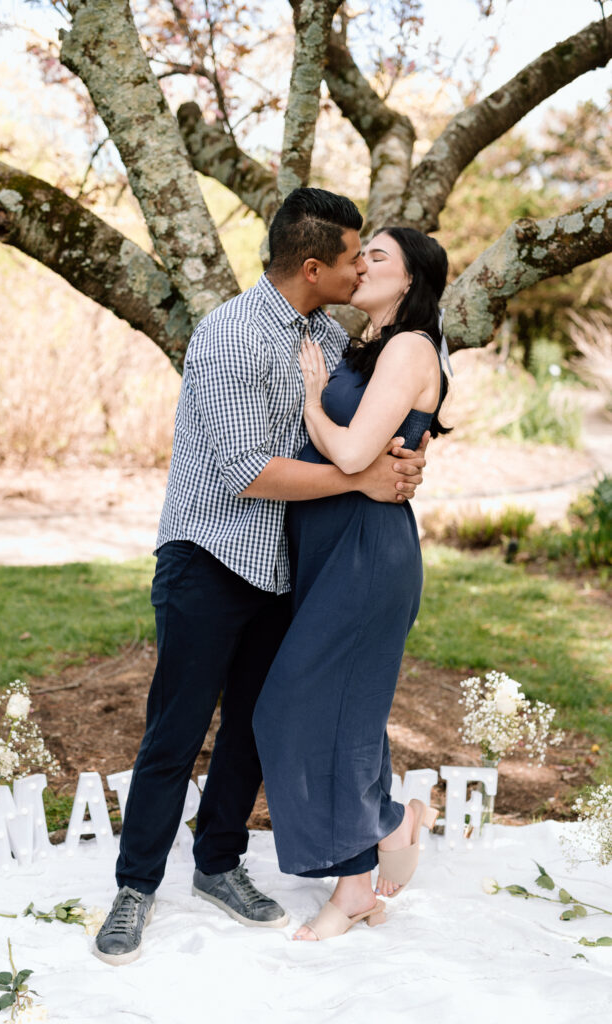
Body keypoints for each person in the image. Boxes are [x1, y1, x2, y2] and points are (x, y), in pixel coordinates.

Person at [93, 189, 429, 965]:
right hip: (209, 555)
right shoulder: (229, 336)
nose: (359, 267)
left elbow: (358, 431)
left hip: (286, 568)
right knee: (176, 731)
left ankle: (218, 865)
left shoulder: (330, 335)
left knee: (253, 724)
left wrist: (401, 459)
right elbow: (248, 471)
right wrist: (362, 479)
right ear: (312, 266)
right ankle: (135, 887)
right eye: (351, 257)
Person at [253, 225, 451, 941]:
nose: (361, 263)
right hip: (334, 548)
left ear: (410, 281)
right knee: (345, 711)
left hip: (368, 553)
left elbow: (355, 451)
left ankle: (356, 882)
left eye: (378, 257)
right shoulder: (364, 345)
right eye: (358, 252)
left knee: (294, 707)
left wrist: (312, 405)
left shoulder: (409, 346)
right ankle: (394, 824)